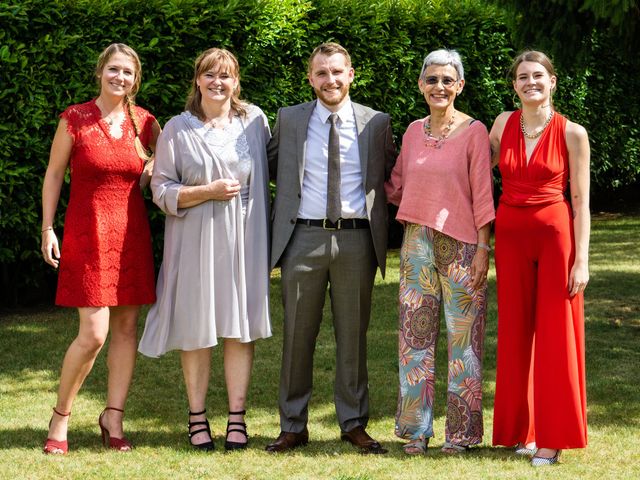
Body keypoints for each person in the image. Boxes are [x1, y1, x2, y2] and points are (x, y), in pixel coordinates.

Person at [265, 42, 396, 454]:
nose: (330, 80)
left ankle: (353, 422)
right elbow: (266, 165)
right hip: (302, 237)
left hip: (357, 238)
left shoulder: (376, 123)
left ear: (351, 73)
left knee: (353, 335)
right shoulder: (289, 119)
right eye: (321, 73)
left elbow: (394, 177)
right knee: (296, 336)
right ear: (310, 78)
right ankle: (292, 424)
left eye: (337, 71)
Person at [138, 48, 271, 452]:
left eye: (226, 76)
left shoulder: (255, 122)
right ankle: (197, 417)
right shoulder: (178, 128)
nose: (218, 82)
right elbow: (160, 188)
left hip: (243, 238)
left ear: (236, 82)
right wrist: (206, 192)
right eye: (210, 75)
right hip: (194, 237)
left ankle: (237, 418)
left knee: (239, 326)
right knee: (196, 326)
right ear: (197, 80)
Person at [40, 43, 160, 455]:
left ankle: (113, 417)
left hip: (131, 237)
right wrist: (47, 227)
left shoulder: (146, 123)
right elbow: (54, 174)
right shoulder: (75, 118)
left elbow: (159, 174)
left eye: (128, 72)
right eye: (114, 69)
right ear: (100, 73)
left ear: (135, 79)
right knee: (93, 334)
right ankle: (61, 417)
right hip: (87, 234)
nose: (120, 77)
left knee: (127, 329)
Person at [385, 49, 495, 455]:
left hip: (464, 245)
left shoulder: (474, 131)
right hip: (416, 242)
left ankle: (462, 435)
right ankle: (416, 430)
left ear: (460, 85)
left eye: (448, 80)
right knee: (414, 339)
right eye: (432, 79)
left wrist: (484, 247)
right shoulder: (413, 131)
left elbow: (483, 194)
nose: (440, 87)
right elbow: (395, 184)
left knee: (463, 342)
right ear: (421, 84)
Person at [490, 50, 590, 467]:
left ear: (552, 81)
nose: (530, 82)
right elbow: (483, 171)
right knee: (514, 332)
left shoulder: (573, 133)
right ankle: (521, 431)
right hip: (510, 239)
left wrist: (581, 259)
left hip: (555, 238)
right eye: (522, 77)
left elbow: (582, 200)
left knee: (554, 334)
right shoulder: (501, 125)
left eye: (538, 76)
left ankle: (552, 437)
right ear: (514, 85)